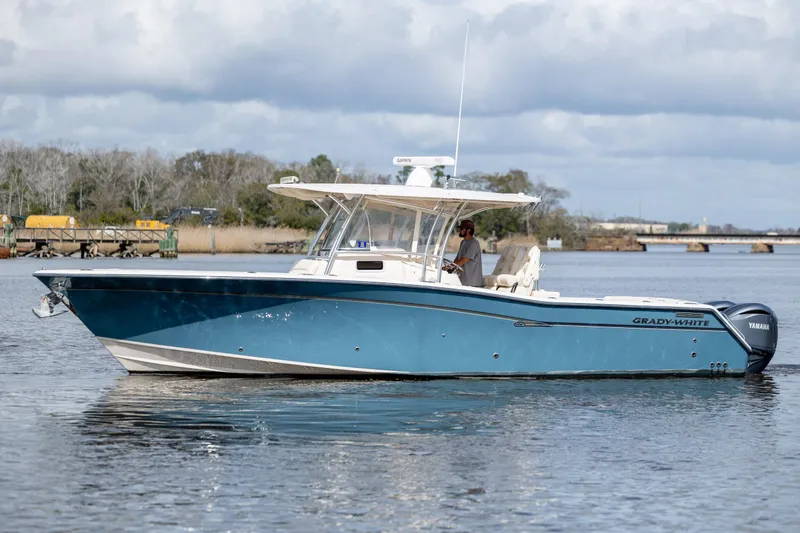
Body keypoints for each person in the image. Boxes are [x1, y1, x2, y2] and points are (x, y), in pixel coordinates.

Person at [444, 219, 483, 286]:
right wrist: (449, 267)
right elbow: (458, 258)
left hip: (472, 283)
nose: (460, 230)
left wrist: (450, 267)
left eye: (462, 229)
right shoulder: (463, 242)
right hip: (463, 281)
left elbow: (464, 259)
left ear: (468, 230)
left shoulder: (473, 243)